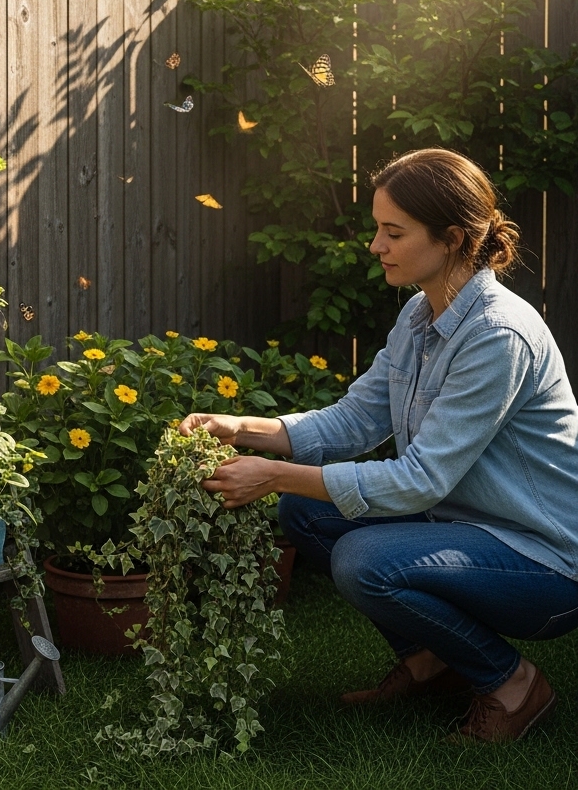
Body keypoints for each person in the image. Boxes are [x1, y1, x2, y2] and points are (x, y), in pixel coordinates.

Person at [180, 148, 578, 743]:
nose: (375, 246)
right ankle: (432, 661)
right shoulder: (421, 314)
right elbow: (356, 420)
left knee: (363, 560)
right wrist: (241, 427)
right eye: (378, 229)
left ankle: (513, 684)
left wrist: (272, 473)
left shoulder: (498, 334)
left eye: (393, 232)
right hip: (467, 522)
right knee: (307, 513)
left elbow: (420, 480)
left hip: (543, 558)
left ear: (451, 239)